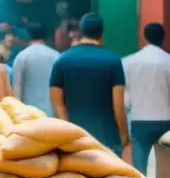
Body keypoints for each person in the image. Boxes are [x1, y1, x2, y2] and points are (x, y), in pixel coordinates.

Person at [50, 13, 130, 157]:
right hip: (107, 138)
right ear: (101, 35)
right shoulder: (113, 61)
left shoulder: (62, 60)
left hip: (75, 137)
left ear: (81, 32)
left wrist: (67, 129)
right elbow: (118, 104)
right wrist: (124, 134)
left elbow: (58, 103)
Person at [123, 23, 170, 174]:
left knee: (140, 166)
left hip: (139, 119)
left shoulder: (130, 61)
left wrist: (129, 110)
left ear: (143, 37)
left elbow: (126, 95)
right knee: (166, 167)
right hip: (165, 120)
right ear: (163, 38)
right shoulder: (169, 60)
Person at [11, 22, 59, 116]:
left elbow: (16, 91)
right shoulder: (56, 56)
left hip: (28, 115)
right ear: (46, 37)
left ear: (28, 36)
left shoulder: (22, 57)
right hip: (52, 115)